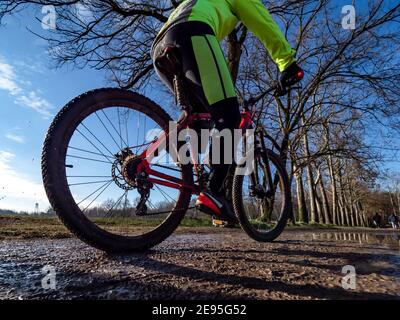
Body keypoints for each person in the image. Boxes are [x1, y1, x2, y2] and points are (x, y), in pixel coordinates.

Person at [151, 0, 304, 224]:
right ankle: (213, 191)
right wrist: (287, 62)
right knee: (228, 115)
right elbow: (261, 20)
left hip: (159, 47)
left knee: (201, 117)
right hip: (192, 31)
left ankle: (176, 143)